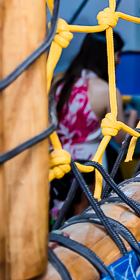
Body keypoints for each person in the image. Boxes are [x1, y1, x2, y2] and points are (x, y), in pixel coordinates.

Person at [49, 31, 128, 218]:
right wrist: (132, 119)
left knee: (58, 220)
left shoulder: (57, 81)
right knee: (86, 221)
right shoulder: (107, 90)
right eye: (117, 54)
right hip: (89, 166)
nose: (119, 60)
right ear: (106, 56)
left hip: (57, 159)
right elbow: (121, 139)